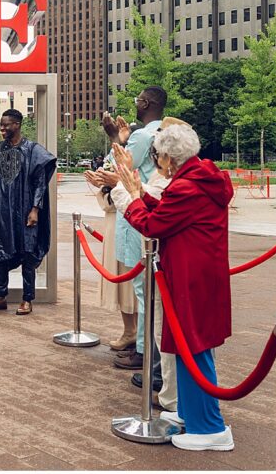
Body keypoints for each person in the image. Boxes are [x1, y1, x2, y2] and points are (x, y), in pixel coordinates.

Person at [115, 123, 236, 452]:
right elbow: (169, 216)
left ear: (169, 158)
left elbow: (153, 225)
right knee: (191, 348)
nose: (157, 161)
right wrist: (140, 194)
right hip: (197, 275)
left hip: (190, 278)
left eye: (158, 155)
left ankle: (210, 426)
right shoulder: (199, 177)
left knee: (193, 347)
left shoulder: (187, 187)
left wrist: (131, 198)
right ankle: (192, 414)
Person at [107, 87, 167, 373]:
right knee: (152, 292)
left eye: (137, 100)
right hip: (154, 213)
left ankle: (145, 352)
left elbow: (117, 166)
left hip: (137, 216)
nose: (135, 105)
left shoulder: (142, 136)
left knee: (144, 292)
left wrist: (113, 140)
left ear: (145, 103)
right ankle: (148, 348)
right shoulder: (162, 132)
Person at [0, 109, 57, 315]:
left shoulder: (32, 150)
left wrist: (35, 209)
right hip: (0, 211)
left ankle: (27, 299)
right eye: (1, 125)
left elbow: (40, 183)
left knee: (27, 252)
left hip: (23, 210)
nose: (2, 129)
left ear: (18, 124)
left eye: (6, 125)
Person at [83, 142, 137, 352]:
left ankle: (139, 333)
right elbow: (110, 203)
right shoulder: (117, 162)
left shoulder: (139, 167)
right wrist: (105, 185)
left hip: (130, 223)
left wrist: (116, 184)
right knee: (121, 277)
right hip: (115, 222)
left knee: (132, 279)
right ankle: (130, 330)